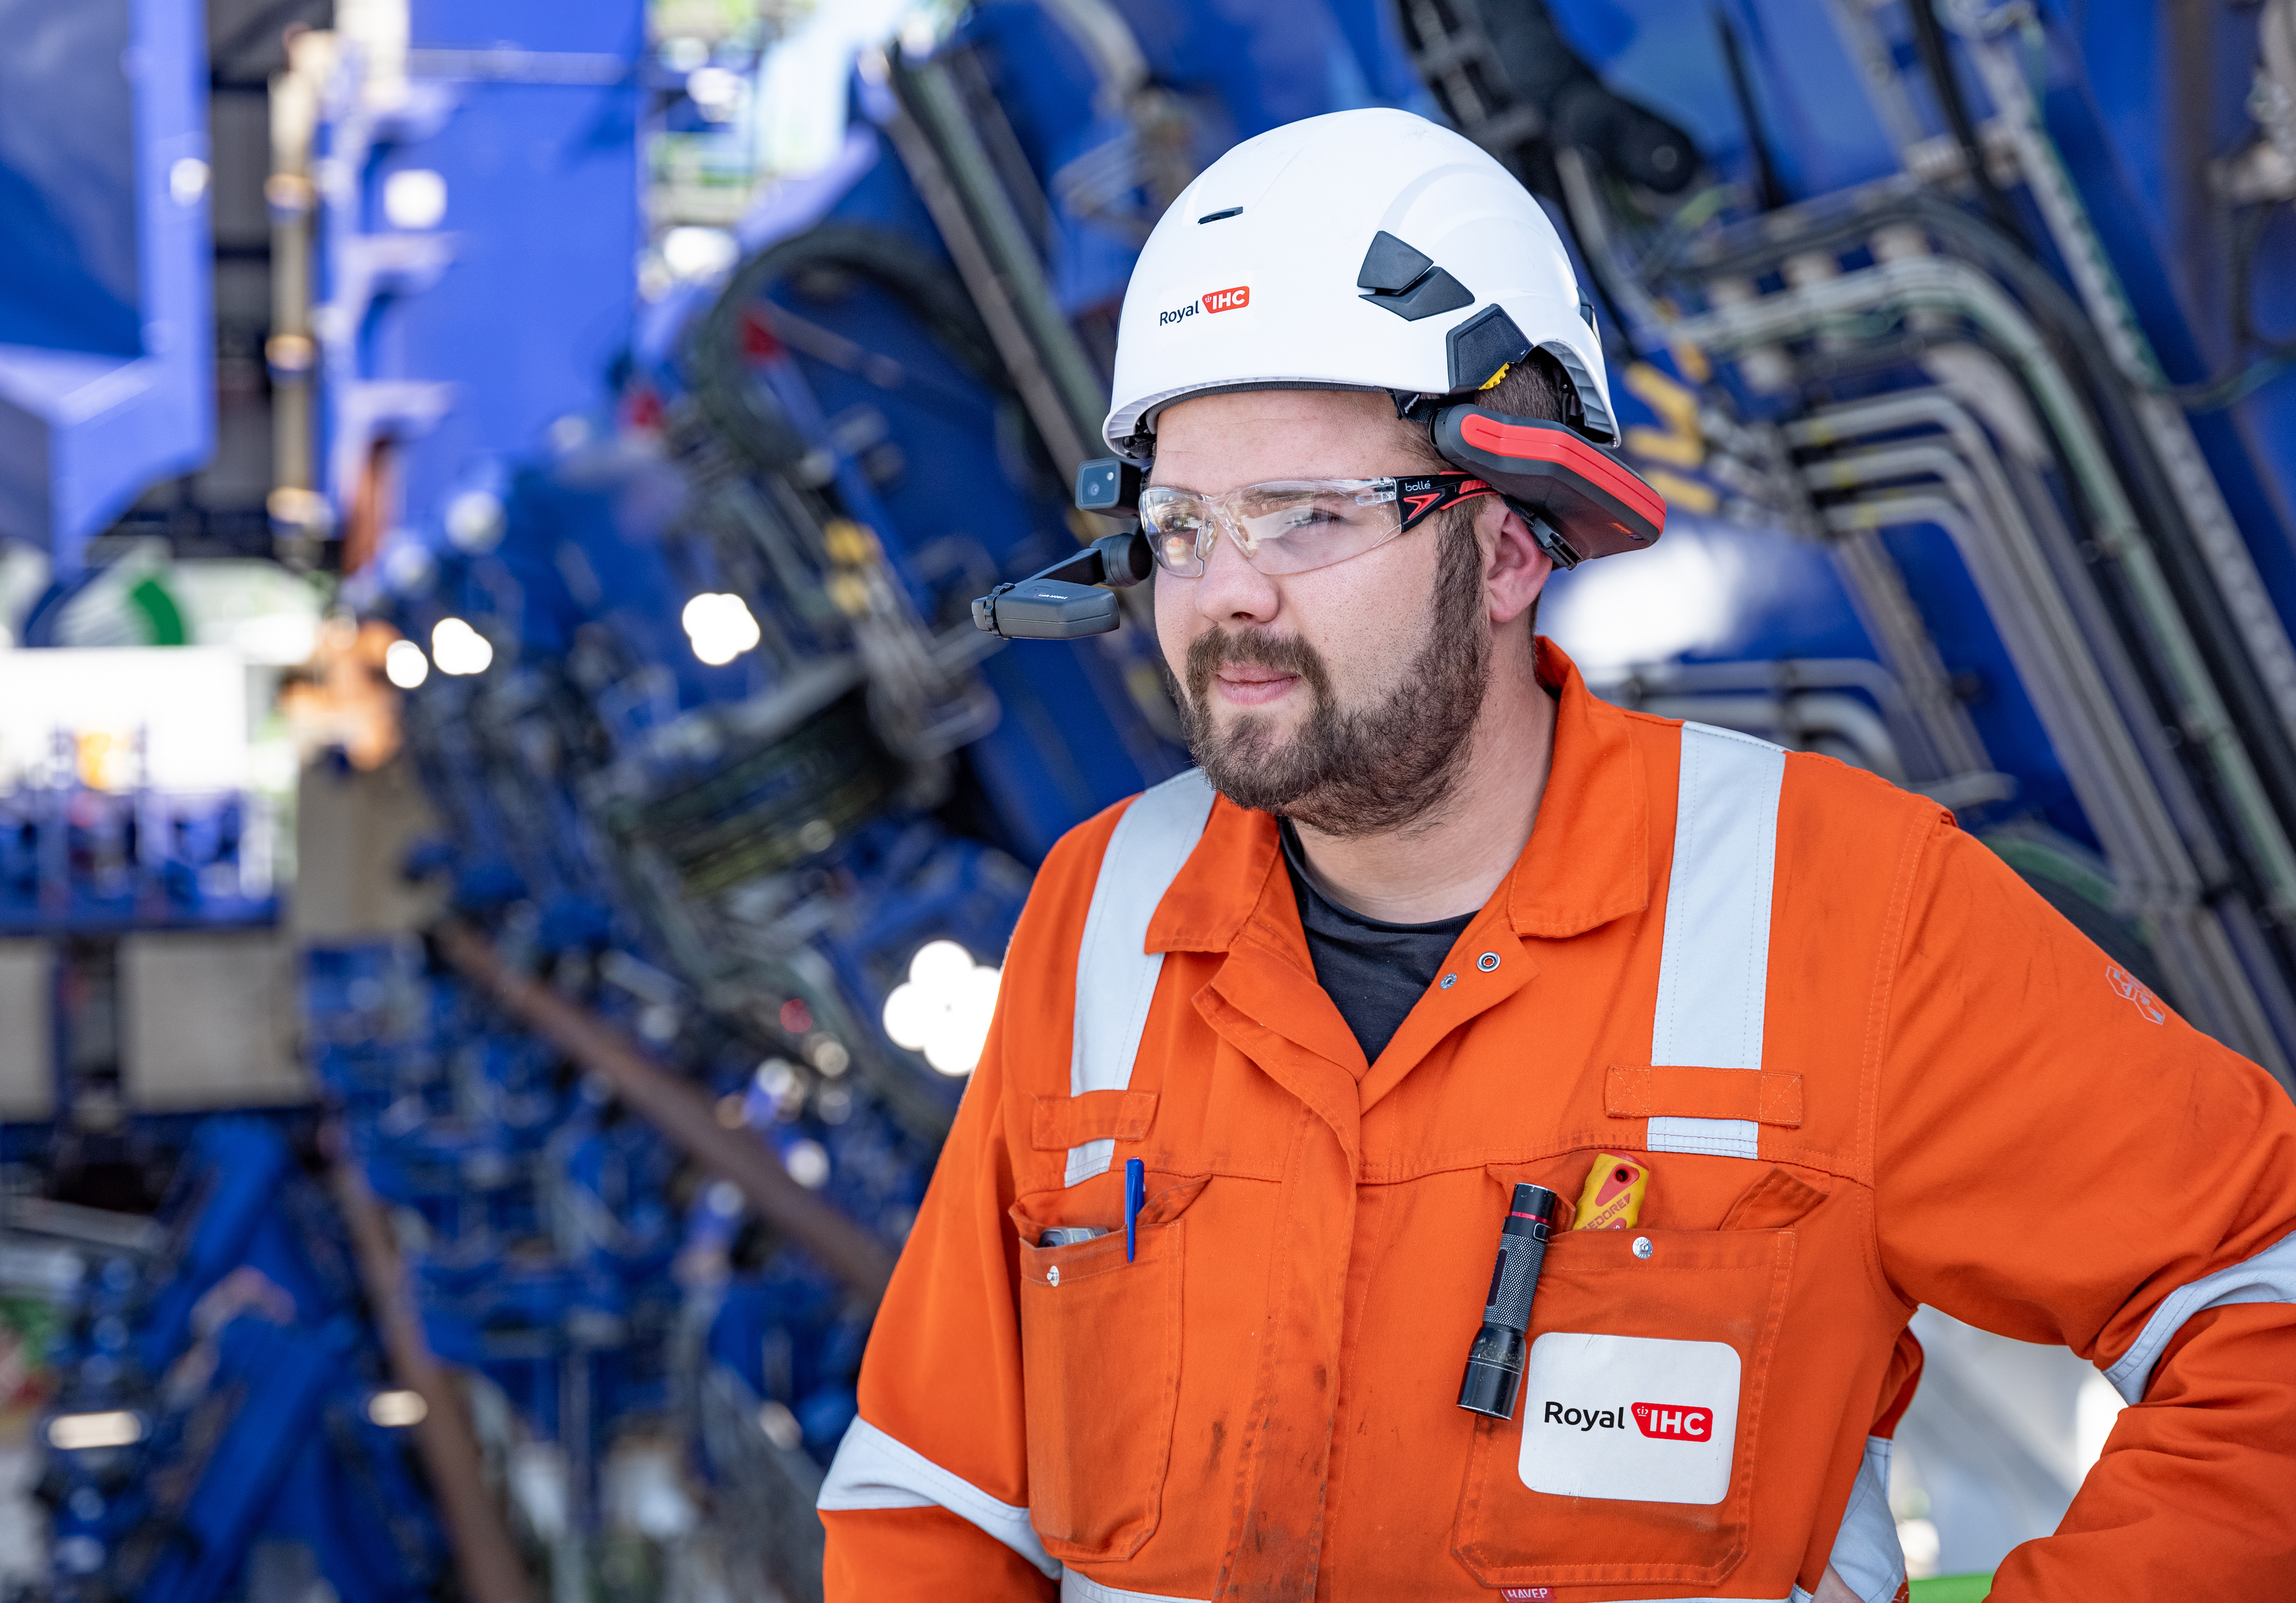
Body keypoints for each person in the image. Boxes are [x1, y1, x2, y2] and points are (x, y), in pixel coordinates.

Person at [816, 108, 2296, 1602]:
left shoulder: (1836, 905)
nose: (1227, 595)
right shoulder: (1101, 910)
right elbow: (937, 1499)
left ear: (1514, 548)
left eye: (1307, 516)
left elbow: (2265, 1302)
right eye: (1185, 524)